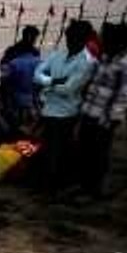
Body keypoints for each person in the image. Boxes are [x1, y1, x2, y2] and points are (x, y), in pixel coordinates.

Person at [76, 23, 127, 199]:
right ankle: (84, 185)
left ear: (119, 41)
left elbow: (125, 92)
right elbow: (95, 79)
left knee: (100, 152)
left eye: (107, 39)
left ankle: (97, 189)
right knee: (84, 149)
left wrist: (114, 117)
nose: (103, 42)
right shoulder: (107, 54)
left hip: (105, 115)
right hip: (89, 108)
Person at [33, 19, 96, 195]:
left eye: (73, 39)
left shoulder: (87, 63)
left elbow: (69, 89)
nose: (69, 42)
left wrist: (46, 84)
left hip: (67, 112)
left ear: (83, 40)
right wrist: (52, 81)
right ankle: (47, 183)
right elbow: (36, 74)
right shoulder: (57, 54)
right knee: (48, 148)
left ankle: (56, 184)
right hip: (48, 108)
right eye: (68, 38)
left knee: (60, 150)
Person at [0, 25, 41, 130]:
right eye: (35, 38)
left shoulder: (14, 50)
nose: (35, 40)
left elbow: (3, 68)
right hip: (20, 91)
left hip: (20, 90)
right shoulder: (17, 51)